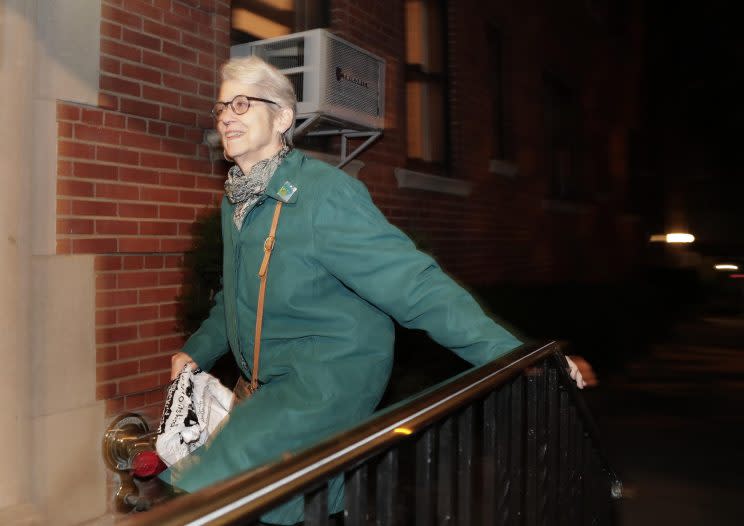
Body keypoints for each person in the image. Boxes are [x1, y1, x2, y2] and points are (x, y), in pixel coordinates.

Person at [162, 55, 589, 524]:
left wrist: (516, 356)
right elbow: (234, 296)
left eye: (242, 103)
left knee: (202, 489)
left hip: (328, 375)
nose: (226, 116)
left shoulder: (324, 193)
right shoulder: (238, 200)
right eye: (221, 106)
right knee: (279, 499)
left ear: (283, 117)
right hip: (269, 380)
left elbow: (415, 285)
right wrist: (197, 350)